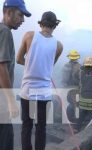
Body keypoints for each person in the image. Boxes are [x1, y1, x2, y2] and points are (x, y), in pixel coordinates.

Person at [16, 11, 63, 150]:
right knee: (41, 127)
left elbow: (19, 59)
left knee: (26, 126)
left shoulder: (29, 36)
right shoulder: (59, 45)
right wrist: (39, 66)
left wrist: (31, 64)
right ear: (55, 25)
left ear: (41, 23)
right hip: (44, 92)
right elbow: (49, 66)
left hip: (27, 91)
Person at [0, 0, 31, 150]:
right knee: (6, 141)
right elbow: (2, 67)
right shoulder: (4, 32)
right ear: (8, 12)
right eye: (20, 15)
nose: (23, 20)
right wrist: (11, 101)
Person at [67, 56, 92, 131]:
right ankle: (90, 129)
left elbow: (75, 79)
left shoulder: (81, 74)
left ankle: (76, 128)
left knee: (80, 116)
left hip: (82, 103)